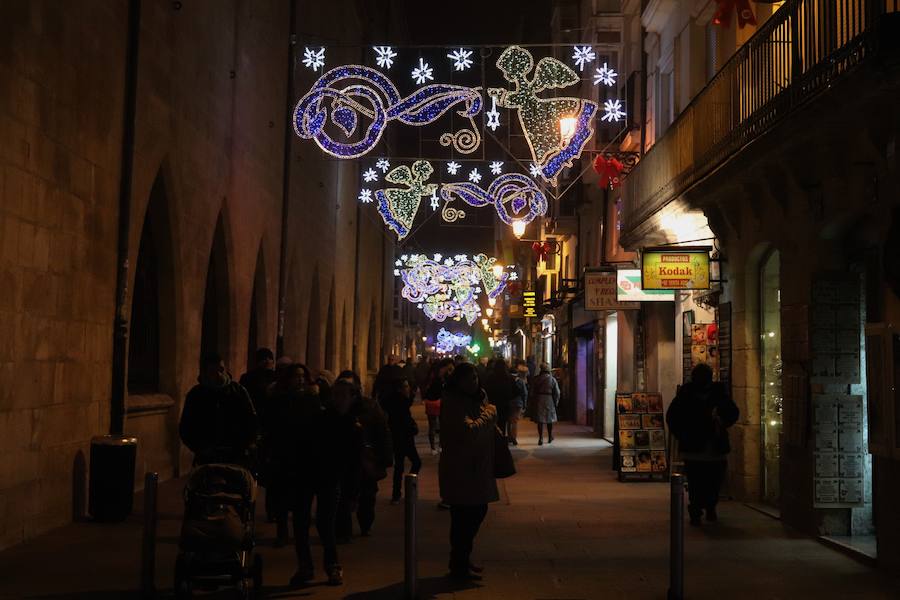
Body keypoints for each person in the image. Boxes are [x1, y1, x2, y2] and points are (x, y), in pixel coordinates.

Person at [439, 362, 498, 580]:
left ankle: (462, 559)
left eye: (475, 377)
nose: (474, 382)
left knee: (476, 511)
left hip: (477, 466)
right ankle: (458, 564)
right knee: (464, 516)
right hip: (461, 468)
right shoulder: (454, 402)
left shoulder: (478, 398)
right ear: (459, 382)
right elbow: (469, 431)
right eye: (469, 378)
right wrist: (489, 415)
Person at [666, 363, 739, 526]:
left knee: (711, 480)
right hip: (696, 447)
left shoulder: (717, 394)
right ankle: (697, 508)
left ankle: (708, 506)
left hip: (713, 446)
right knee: (697, 481)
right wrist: (684, 434)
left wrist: (721, 420)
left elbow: (732, 412)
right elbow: (673, 417)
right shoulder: (687, 394)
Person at [334, 370, 393, 539]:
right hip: (344, 458)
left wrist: (384, 457)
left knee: (367, 495)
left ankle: (365, 523)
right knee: (343, 495)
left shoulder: (370, 406)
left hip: (367, 458)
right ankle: (343, 531)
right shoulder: (335, 407)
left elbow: (383, 431)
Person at [264, 362, 314, 546]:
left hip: (304, 457)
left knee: (303, 501)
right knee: (282, 499)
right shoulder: (278, 400)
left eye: (302, 376)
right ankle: (282, 533)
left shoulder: (311, 400)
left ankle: (301, 535)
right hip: (283, 455)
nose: (300, 380)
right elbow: (270, 426)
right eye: (296, 376)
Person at [179, 352, 258, 466]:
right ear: (205, 373)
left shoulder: (238, 391)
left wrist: (246, 445)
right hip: (207, 457)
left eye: (221, 370)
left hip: (235, 455)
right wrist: (200, 448)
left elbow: (252, 420)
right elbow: (186, 427)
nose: (219, 375)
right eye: (213, 372)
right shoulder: (196, 394)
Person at [381, 376, 422, 503]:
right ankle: (409, 487)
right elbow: (405, 419)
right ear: (399, 389)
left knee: (399, 466)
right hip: (404, 437)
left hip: (396, 437)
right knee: (416, 462)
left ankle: (396, 494)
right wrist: (413, 428)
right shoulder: (401, 402)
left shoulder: (392, 401)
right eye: (405, 386)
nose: (408, 388)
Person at [423, 358, 454, 455]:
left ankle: (433, 448)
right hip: (440, 401)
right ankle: (440, 446)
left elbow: (426, 385)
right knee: (442, 425)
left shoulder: (432, 373)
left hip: (430, 401)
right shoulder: (444, 376)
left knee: (432, 426)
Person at [482, 358, 515, 438]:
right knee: (503, 422)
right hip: (505, 403)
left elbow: (486, 389)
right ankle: (502, 437)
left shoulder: (491, 377)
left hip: (494, 403)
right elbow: (515, 390)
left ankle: (495, 438)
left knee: (494, 423)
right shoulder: (509, 377)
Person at [531, 363, 560, 446]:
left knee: (540, 420)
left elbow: (532, 391)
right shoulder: (552, 379)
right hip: (549, 399)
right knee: (549, 419)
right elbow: (557, 393)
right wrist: (556, 402)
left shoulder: (536, 379)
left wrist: (533, 401)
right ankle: (550, 436)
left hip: (539, 399)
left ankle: (540, 438)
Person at [509, 361, 529, 446]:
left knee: (508, 421)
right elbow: (524, 393)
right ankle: (514, 437)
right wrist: (524, 404)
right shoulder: (520, 382)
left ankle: (509, 436)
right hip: (518, 403)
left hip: (509, 403)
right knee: (514, 422)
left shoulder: (507, 381)